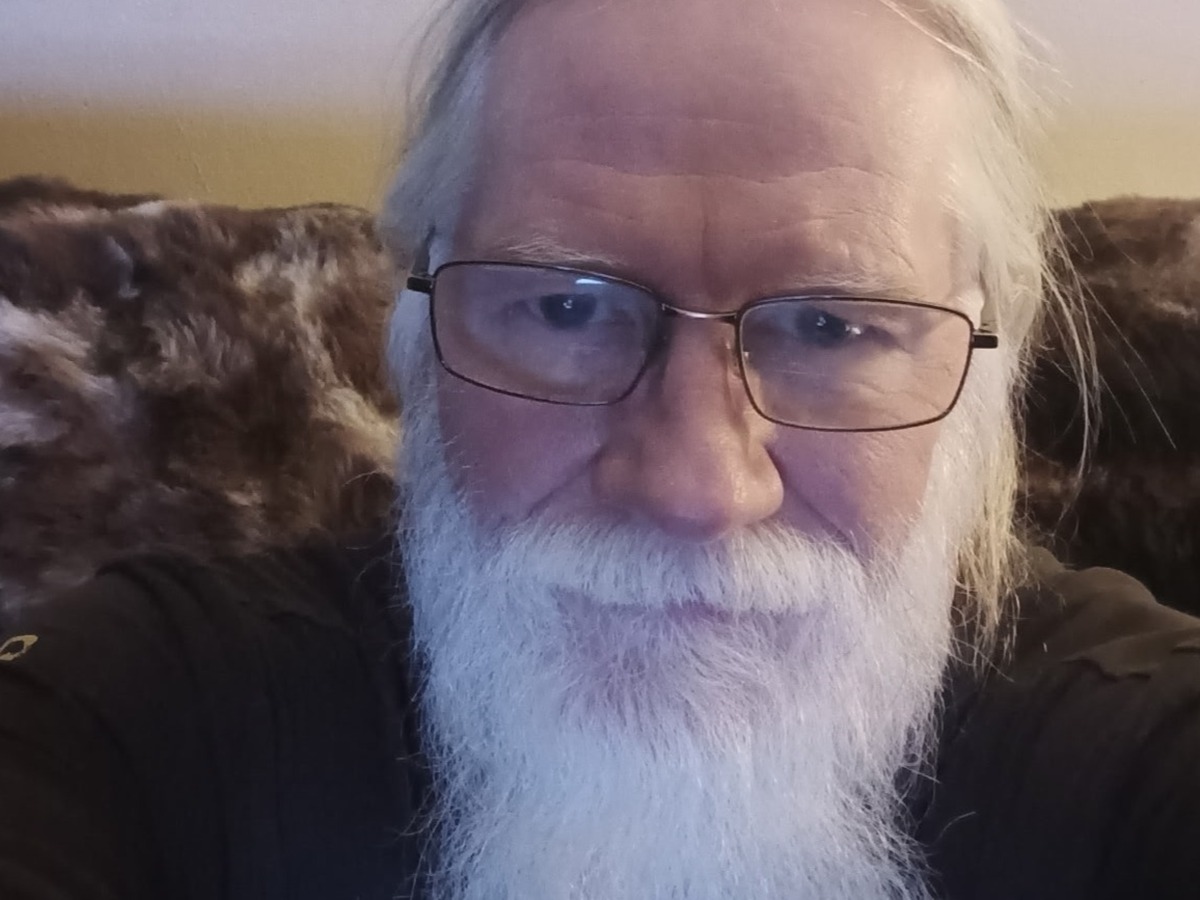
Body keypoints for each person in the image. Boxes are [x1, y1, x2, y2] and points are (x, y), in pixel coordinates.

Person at [2, 0, 1199, 898]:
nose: (696, 486)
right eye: (567, 307)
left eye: (833, 328)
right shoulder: (136, 714)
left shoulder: (1133, 746)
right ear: (414, 336)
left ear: (982, 373)